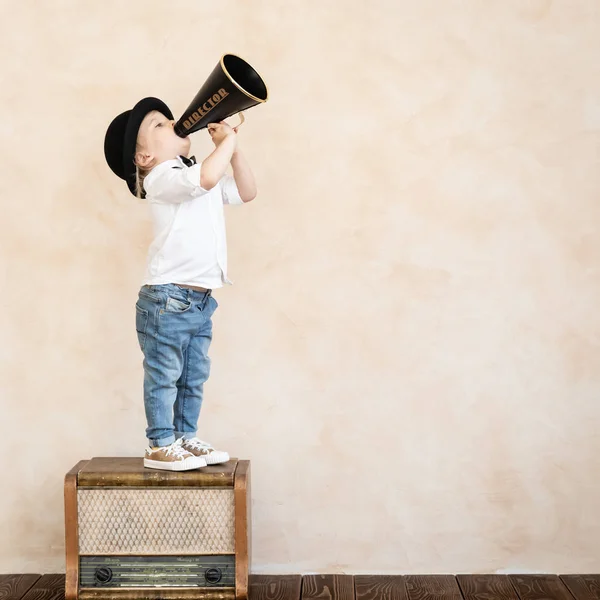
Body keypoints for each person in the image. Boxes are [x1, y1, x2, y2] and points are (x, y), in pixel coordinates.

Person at [104, 97, 256, 471]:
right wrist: (225, 144)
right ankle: (159, 443)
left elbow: (246, 191)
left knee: (193, 375)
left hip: (200, 300)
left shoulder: (195, 175)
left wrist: (233, 149)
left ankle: (185, 437)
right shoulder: (162, 178)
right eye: (159, 125)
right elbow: (203, 177)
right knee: (164, 374)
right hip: (167, 298)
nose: (173, 122)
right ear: (144, 158)